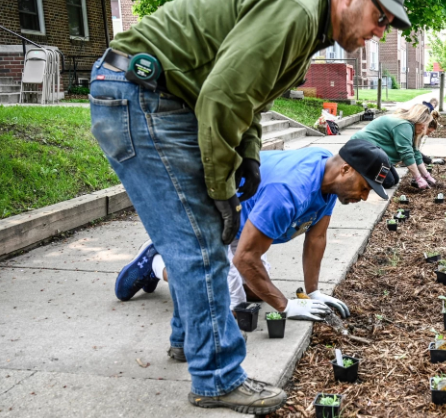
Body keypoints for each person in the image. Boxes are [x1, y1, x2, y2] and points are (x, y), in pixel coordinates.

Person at [90, 0, 410, 413]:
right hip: (142, 92)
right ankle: (218, 379)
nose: (378, 31)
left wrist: (251, 156)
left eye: (387, 24)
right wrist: (223, 190)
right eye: (379, 16)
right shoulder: (296, 11)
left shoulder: (307, 25)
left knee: (197, 240)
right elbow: (222, 97)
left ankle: (187, 341)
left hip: (158, 97)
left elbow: (250, 100)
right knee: (202, 247)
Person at [118, 140, 390, 350]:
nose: (364, 197)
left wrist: (313, 292)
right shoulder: (289, 190)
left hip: (239, 220)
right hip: (206, 211)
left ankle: (172, 260)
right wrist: (287, 307)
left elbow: (316, 237)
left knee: (256, 292)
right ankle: (155, 263)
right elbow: (246, 259)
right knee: (225, 302)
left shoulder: (328, 177)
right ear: (345, 169)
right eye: (364, 187)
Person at [351, 104, 436, 189]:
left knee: (395, 179)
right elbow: (406, 154)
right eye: (423, 124)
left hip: (374, 154)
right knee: (388, 182)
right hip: (361, 150)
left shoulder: (410, 127)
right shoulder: (403, 126)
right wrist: (418, 178)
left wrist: (426, 176)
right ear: (417, 120)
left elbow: (415, 153)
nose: (424, 128)